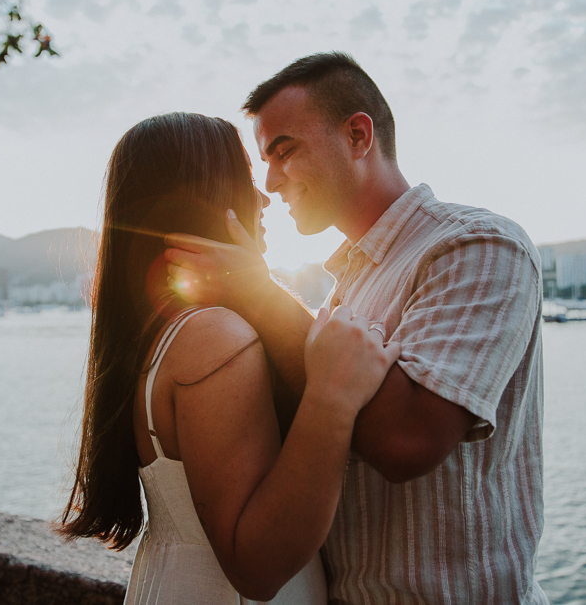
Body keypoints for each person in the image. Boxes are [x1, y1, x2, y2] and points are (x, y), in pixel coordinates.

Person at [164, 53, 548, 604]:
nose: (270, 183)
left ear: (358, 135)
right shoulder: (346, 285)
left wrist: (256, 290)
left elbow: (408, 441)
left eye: (284, 151)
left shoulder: (478, 247)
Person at [58, 112, 402, 604]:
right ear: (201, 198)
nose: (263, 198)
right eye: (243, 180)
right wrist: (334, 393)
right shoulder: (213, 336)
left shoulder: (163, 331)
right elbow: (257, 568)